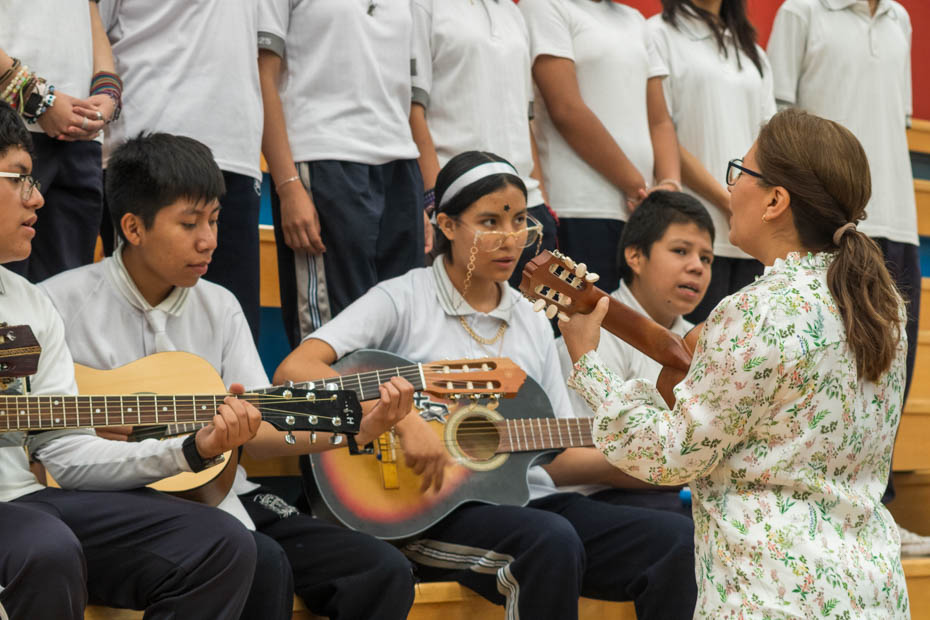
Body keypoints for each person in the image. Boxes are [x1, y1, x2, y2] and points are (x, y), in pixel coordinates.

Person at [275, 151, 696, 620]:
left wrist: (658, 452)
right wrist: (403, 419)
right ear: (447, 225)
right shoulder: (404, 298)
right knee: (547, 542)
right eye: (489, 221)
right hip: (422, 509)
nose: (509, 238)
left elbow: (558, 454)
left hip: (528, 500)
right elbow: (295, 369)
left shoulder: (532, 320)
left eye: (519, 221)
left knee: (676, 541)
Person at [41, 132, 419, 620]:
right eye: (189, 223)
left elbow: (260, 429)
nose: (210, 240)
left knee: (379, 569)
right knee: (262, 562)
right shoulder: (59, 303)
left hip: (217, 491)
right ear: (133, 227)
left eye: (215, 220)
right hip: (116, 503)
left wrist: (356, 428)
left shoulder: (219, 305)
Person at [560, 109, 909, 617]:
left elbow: (670, 456)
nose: (731, 188)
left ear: (775, 199)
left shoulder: (757, 310)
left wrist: (587, 361)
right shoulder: (883, 305)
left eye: (739, 172)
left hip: (773, 595)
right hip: (870, 589)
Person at [0, 103, 258, 620]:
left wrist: (189, 449)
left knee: (221, 543)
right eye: (20, 179)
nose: (38, 197)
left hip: (19, 503)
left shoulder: (29, 305)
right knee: (45, 546)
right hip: (30, 532)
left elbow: (67, 454)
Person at [767, 0, 918, 508]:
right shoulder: (800, 12)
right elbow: (778, 127)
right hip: (826, 220)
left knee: (891, 362)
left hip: (898, 219)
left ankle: (879, 504)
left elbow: (893, 122)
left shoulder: (901, 19)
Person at [258, 0, 425, 347]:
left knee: (404, 334)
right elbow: (262, 76)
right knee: (335, 343)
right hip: (322, 159)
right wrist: (288, 187)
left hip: (399, 166)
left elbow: (406, 95)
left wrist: (422, 196)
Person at [97, 0, 264, 342]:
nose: (205, 235)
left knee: (232, 322)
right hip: (147, 142)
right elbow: (89, 29)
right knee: (129, 325)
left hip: (238, 149)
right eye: (192, 225)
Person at [556, 190, 714, 517]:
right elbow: (587, 453)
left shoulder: (703, 339)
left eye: (707, 258)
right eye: (681, 250)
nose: (697, 267)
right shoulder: (592, 331)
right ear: (635, 257)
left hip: (674, 488)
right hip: (599, 499)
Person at [519, 0, 681, 293]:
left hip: (638, 214)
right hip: (578, 208)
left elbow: (660, 121)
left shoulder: (636, 21)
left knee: (625, 333)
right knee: (578, 327)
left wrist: (669, 186)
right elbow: (566, 109)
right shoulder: (545, 6)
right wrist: (637, 186)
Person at [408, 0, 557, 288]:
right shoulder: (424, 7)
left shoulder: (513, 13)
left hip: (527, 212)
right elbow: (413, 109)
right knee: (467, 326)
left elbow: (524, 118)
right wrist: (434, 201)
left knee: (534, 328)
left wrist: (542, 202)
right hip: (463, 207)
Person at [648, 0, 774, 323]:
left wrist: (748, 205)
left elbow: (770, 139)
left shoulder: (753, 54)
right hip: (695, 237)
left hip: (751, 237)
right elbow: (661, 131)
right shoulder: (657, 35)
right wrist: (726, 199)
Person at [0, 1, 119, 282]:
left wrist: (107, 87)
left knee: (63, 298)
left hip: (80, 133)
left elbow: (89, 7)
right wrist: (33, 95)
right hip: (8, 121)